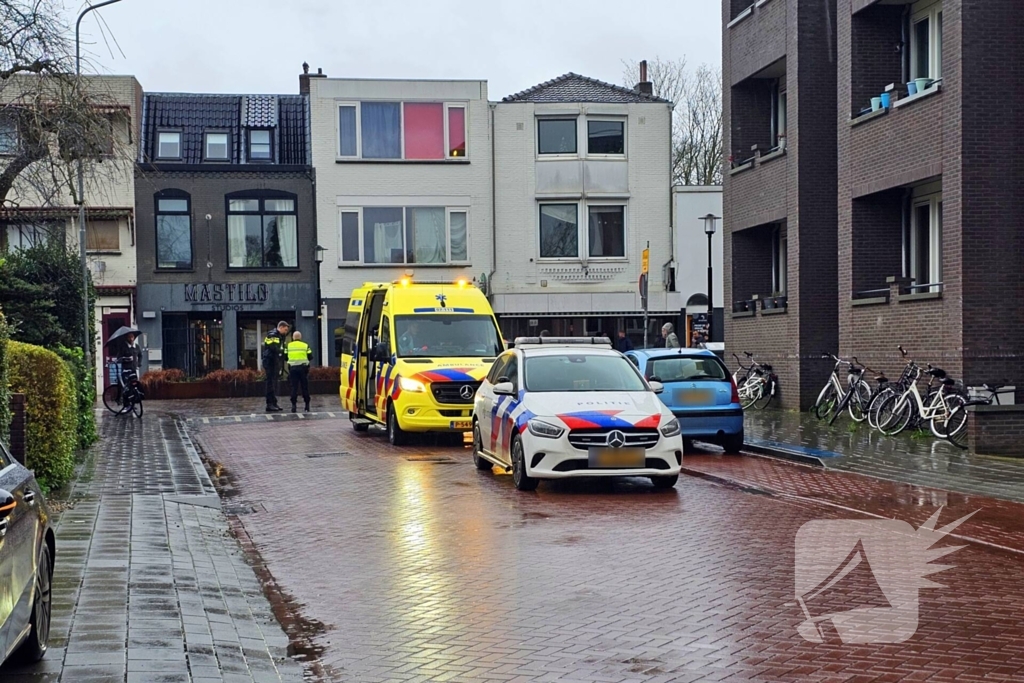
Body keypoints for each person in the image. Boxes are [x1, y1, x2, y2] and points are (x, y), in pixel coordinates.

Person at [262, 321, 290, 412]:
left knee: (273, 383)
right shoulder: (273, 335)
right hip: (270, 361)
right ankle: (269, 404)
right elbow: (274, 348)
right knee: (270, 383)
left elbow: (280, 349)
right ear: (281, 327)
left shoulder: (279, 336)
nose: (286, 332)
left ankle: (273, 403)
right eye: (285, 330)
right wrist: (281, 355)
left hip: (274, 362)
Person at [286, 331, 313, 413]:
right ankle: (307, 406)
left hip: (293, 369)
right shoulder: (305, 345)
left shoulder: (288, 346)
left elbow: (285, 357)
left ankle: (293, 406)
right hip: (303, 369)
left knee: (294, 387)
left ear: (293, 337)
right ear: (300, 337)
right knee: (304, 387)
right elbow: (310, 356)